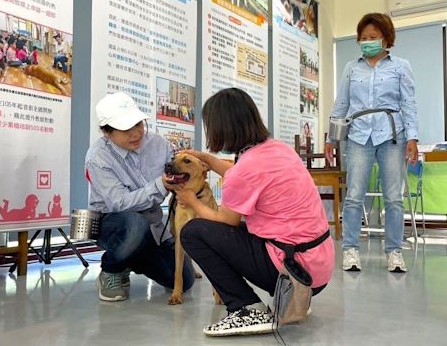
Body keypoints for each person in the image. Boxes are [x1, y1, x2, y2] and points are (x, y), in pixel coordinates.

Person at [175, 88, 335, 337]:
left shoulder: (245, 168)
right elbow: (238, 172)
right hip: (318, 267)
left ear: (222, 128)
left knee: (193, 232)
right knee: (240, 229)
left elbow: (226, 220)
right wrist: (204, 157)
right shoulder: (277, 149)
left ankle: (246, 308)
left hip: (292, 268)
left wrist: (190, 201)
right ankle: (293, 298)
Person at [325, 13, 419, 273]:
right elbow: (341, 104)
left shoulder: (400, 67)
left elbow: (408, 104)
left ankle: (394, 251)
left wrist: (412, 137)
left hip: (391, 136)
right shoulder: (351, 68)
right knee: (354, 196)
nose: (367, 42)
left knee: (393, 198)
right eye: (363, 38)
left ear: (386, 38)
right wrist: (331, 137)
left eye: (373, 37)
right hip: (358, 136)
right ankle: (351, 250)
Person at [85, 92, 195, 301]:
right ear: (106, 132)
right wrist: (160, 184)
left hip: (153, 225)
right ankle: (111, 270)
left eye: (139, 125)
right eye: (126, 129)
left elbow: (178, 171)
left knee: (184, 280)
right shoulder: (98, 157)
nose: (136, 133)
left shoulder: (158, 144)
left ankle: (129, 257)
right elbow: (119, 203)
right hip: (112, 222)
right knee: (134, 224)